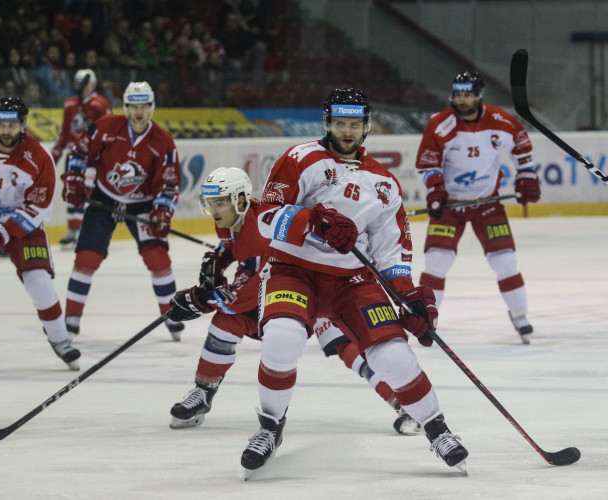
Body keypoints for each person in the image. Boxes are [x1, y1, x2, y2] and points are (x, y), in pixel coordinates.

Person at [234, 88, 468, 478]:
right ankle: (270, 427)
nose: (346, 130)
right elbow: (263, 218)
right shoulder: (300, 158)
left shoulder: (384, 182)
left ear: (366, 126)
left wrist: (409, 297)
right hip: (294, 270)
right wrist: (311, 220)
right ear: (327, 122)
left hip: (353, 280)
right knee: (282, 338)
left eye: (354, 123)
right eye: (339, 123)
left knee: (393, 355)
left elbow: (391, 251)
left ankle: (437, 429)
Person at [166, 167, 420, 435]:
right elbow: (233, 248)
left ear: (240, 200)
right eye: (210, 204)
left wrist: (204, 299)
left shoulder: (261, 230)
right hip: (288, 292)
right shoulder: (229, 223)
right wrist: (219, 258)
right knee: (225, 323)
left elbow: (251, 288)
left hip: (314, 286)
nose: (213, 210)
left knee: (350, 345)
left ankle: (405, 404)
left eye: (219, 203)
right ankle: (203, 391)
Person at [415, 71, 541, 344]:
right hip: (450, 205)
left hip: (487, 205)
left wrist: (526, 175)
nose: (462, 99)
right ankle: (425, 317)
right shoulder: (440, 123)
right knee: (437, 260)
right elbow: (427, 163)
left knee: (505, 260)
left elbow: (521, 145)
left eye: (468, 94)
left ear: (479, 95)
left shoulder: (500, 121)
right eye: (458, 94)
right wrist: (435, 190)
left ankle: (520, 316)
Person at [62, 81, 184, 340]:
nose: (139, 112)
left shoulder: (162, 141)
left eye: (144, 106)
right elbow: (80, 150)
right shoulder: (105, 127)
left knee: (157, 258)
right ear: (125, 107)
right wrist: (74, 179)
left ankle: (172, 315)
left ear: (152, 107)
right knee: (86, 259)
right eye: (133, 106)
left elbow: (169, 183)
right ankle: (70, 319)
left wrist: (162, 211)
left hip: (142, 205)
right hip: (104, 200)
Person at [0, 97, 81, 370]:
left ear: (23, 125)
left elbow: (37, 208)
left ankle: (60, 339)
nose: (6, 131)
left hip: (21, 226)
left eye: (12, 125)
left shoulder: (40, 158)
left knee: (39, 281)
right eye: (1, 124)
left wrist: (1, 232)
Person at [52, 69, 112, 248]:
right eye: (78, 84)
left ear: (91, 85)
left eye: (83, 84)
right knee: (72, 191)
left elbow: (108, 130)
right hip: (73, 156)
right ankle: (73, 229)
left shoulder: (100, 104)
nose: (80, 88)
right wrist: (58, 149)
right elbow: (65, 131)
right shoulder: (70, 104)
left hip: (92, 157)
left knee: (88, 194)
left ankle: (85, 231)